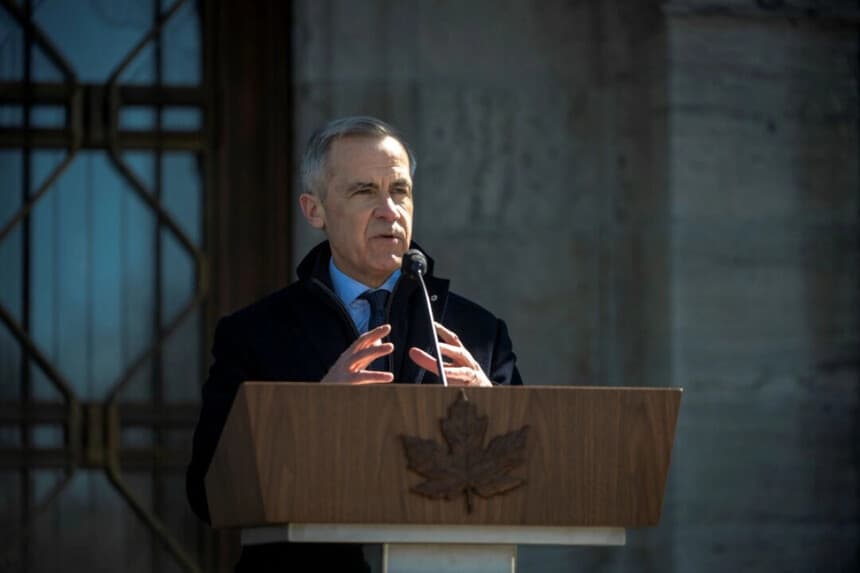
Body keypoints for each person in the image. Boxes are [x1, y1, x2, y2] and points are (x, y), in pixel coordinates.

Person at [186, 116, 523, 572]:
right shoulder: (254, 335)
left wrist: (496, 413)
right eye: (364, 191)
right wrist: (313, 414)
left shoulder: (479, 333)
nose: (390, 210)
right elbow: (209, 493)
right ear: (314, 210)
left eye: (399, 191)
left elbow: (534, 481)